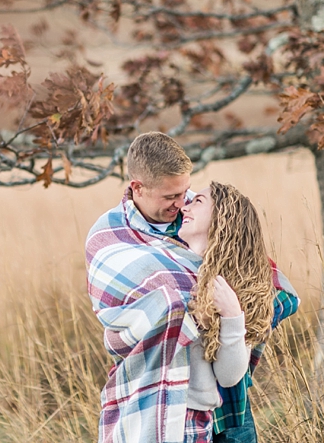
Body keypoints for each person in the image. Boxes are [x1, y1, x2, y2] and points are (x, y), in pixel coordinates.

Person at [85, 132, 298, 443]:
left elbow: (245, 263)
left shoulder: (199, 221)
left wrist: (235, 312)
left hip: (216, 406)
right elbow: (131, 307)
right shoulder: (113, 235)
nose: (182, 203)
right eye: (171, 196)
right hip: (150, 396)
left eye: (187, 192)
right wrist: (179, 300)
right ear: (138, 188)